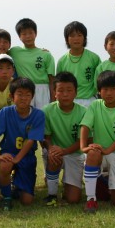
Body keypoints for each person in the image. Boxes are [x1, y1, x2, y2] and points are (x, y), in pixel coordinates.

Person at [79, 71, 115, 213]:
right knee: (92, 153)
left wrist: (108, 150)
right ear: (99, 91)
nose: (109, 93)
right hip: (101, 152)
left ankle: (106, 181)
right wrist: (83, 147)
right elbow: (85, 126)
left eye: (113, 89)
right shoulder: (95, 105)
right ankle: (91, 199)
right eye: (105, 89)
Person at [0, 77, 46, 210]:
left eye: (27, 95)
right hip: (9, 153)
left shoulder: (38, 115)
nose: (23, 98)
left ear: (32, 97)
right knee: (6, 164)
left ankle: (17, 185)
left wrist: (17, 159)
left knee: (27, 201)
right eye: (19, 94)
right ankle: (6, 197)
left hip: (27, 157)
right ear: (12, 96)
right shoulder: (6, 112)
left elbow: (31, 140)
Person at [42, 71, 87, 206]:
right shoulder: (47, 110)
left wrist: (64, 151)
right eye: (60, 90)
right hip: (55, 153)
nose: (65, 94)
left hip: (73, 154)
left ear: (76, 92)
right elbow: (45, 138)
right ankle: (52, 194)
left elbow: (84, 141)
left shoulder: (84, 112)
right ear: (54, 93)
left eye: (69, 90)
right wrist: (51, 149)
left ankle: (67, 186)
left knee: (73, 199)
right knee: (54, 155)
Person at [7, 18, 55, 109]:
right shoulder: (14, 51)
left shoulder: (46, 55)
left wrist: (53, 101)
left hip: (43, 90)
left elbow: (52, 80)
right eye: (24, 34)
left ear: (36, 34)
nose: (28, 36)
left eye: (30, 33)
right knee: (26, 116)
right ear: (19, 36)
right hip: (25, 89)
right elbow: (0, 52)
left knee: (43, 117)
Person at [56, 21, 101, 107]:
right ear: (66, 39)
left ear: (85, 38)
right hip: (68, 101)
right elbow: (58, 84)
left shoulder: (94, 58)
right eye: (72, 36)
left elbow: (100, 81)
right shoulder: (62, 61)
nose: (76, 39)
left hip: (90, 100)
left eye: (79, 35)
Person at [94, 31, 115, 98]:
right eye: (111, 44)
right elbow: (97, 87)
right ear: (105, 46)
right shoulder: (101, 67)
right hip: (106, 98)